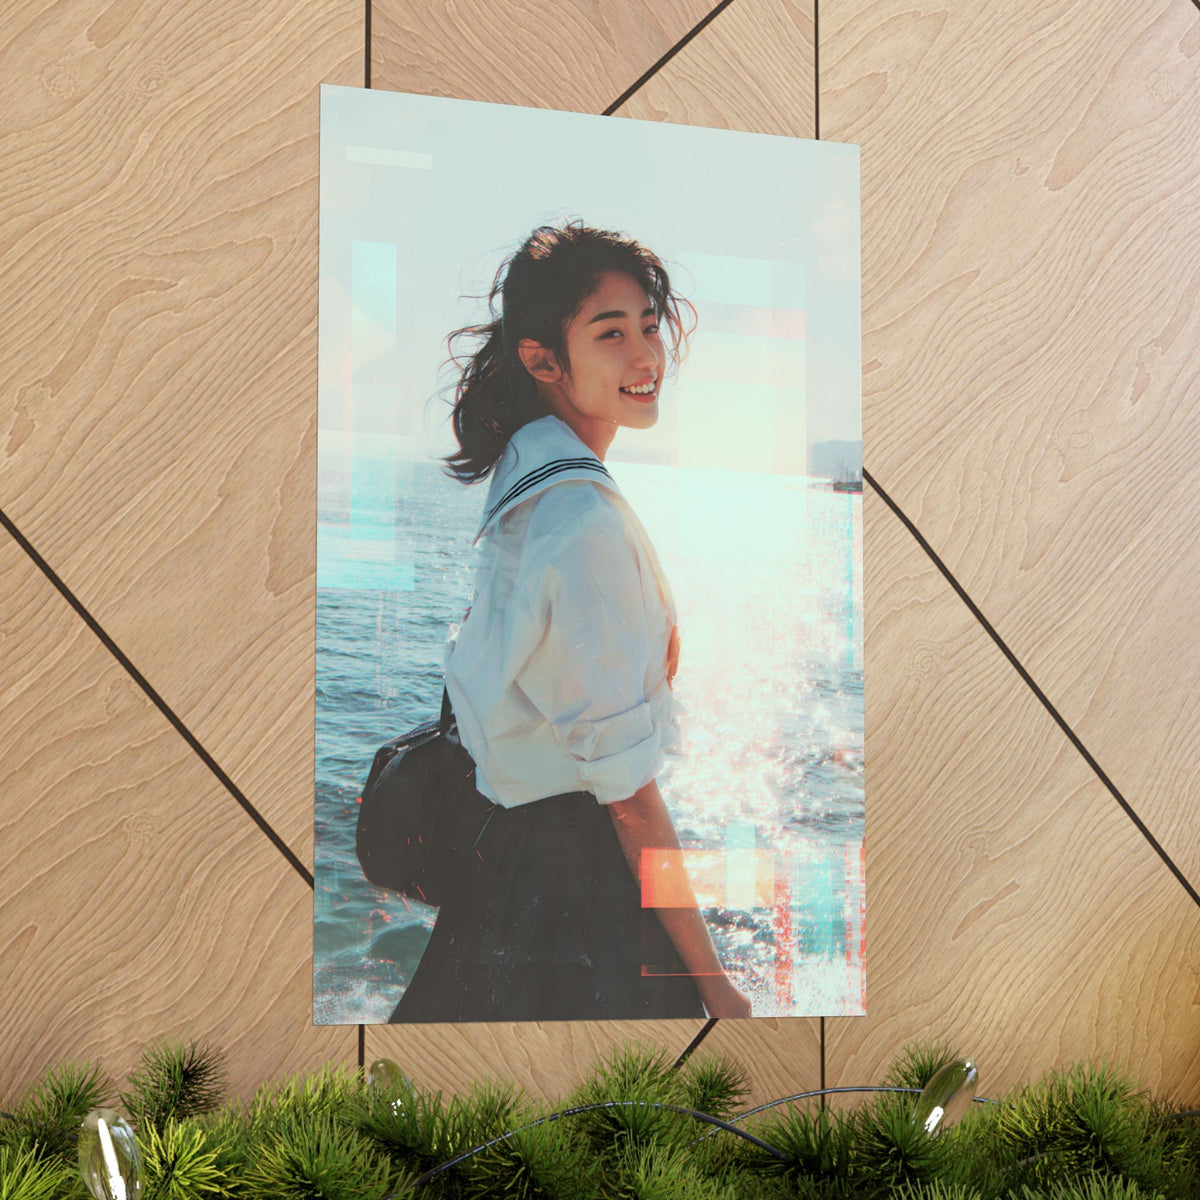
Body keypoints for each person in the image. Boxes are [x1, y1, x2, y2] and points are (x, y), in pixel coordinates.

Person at [390, 222, 751, 1022]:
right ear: (542, 359)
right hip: (576, 899)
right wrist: (715, 982)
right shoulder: (580, 522)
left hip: (507, 877)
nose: (645, 356)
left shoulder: (526, 484)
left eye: (649, 327)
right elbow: (628, 799)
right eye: (610, 333)